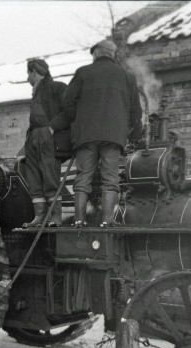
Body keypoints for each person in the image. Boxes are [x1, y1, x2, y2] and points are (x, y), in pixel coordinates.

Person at [54, 39, 142, 227]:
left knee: (83, 177)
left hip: (86, 136)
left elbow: (67, 101)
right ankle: (107, 220)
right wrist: (134, 136)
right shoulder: (127, 77)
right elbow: (136, 111)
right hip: (113, 136)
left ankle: (78, 220)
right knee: (111, 178)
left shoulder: (83, 73)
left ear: (96, 54)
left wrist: (76, 120)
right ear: (112, 54)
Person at [21, 58, 67, 228]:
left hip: (47, 136)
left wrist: (52, 128)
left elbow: (69, 111)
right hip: (33, 137)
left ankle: (55, 217)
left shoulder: (57, 88)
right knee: (34, 177)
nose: (27, 78)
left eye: (28, 73)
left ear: (33, 72)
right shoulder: (36, 91)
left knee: (49, 176)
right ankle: (39, 216)